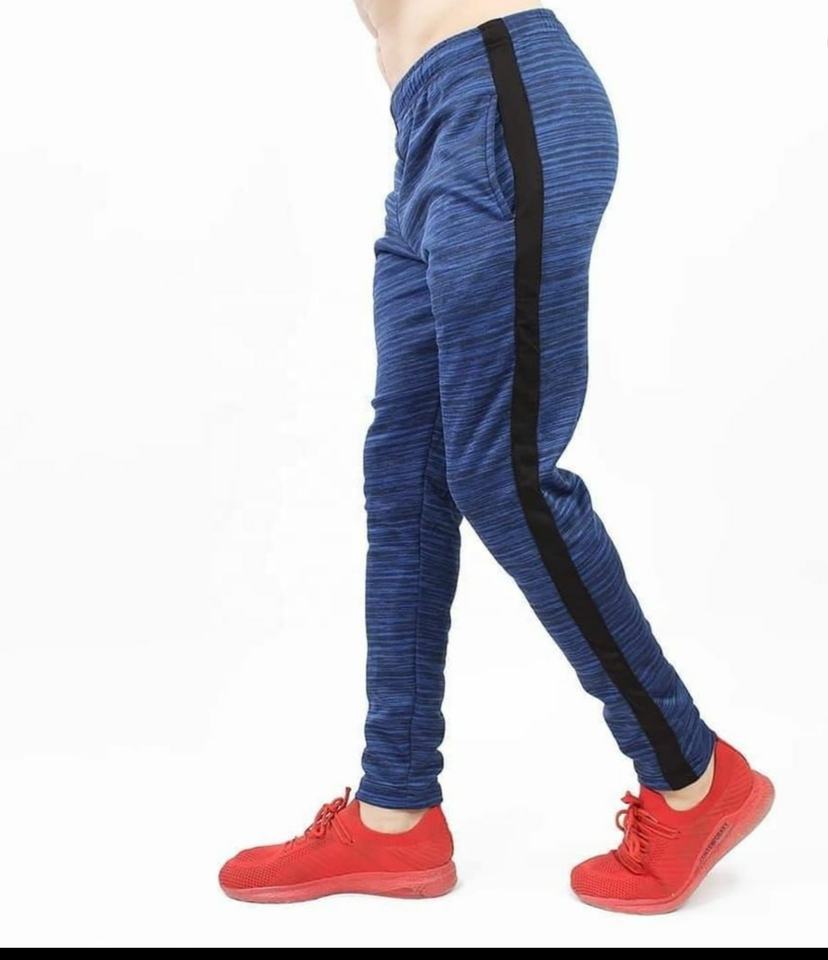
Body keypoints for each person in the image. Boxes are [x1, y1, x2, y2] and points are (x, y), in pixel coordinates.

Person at [219, 1, 773, 913]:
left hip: (498, 89)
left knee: (502, 473)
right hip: (427, 122)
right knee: (405, 473)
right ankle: (394, 812)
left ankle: (693, 776)